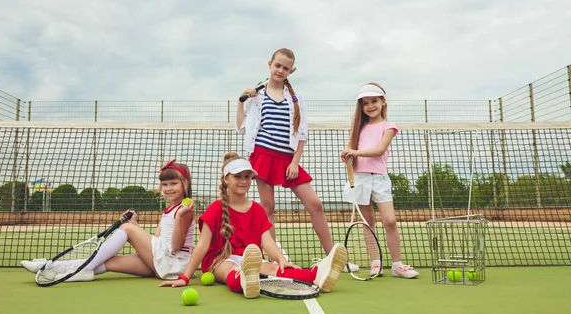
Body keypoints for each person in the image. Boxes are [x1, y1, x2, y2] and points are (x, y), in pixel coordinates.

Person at [158, 152, 347, 298]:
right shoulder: (216, 208)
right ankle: (245, 280)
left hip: (251, 259)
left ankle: (317, 274)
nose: (244, 181)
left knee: (275, 269)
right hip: (219, 260)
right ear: (226, 179)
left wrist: (279, 258)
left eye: (248, 177)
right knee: (231, 269)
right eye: (238, 176)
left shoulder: (257, 209)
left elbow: (268, 242)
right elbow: (202, 246)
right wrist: (185, 277)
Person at [236, 48, 338, 262]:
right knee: (268, 207)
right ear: (269, 64)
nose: (280, 70)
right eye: (277, 66)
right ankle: (275, 261)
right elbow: (242, 127)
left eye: (285, 68)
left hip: (287, 160)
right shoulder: (256, 97)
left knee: (315, 204)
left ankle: (332, 256)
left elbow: (301, 133)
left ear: (291, 71)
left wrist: (295, 162)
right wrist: (241, 101)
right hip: (263, 155)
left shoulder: (296, 98)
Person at [20, 160, 196, 282]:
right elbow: (157, 241)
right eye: (165, 185)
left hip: (173, 263)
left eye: (173, 183)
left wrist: (131, 228)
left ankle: (72, 268)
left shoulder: (185, 211)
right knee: (110, 262)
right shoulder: (170, 210)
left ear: (185, 184)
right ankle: (52, 268)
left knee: (126, 228)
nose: (168, 188)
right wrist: (136, 226)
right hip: (164, 262)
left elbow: (174, 246)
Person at [341, 83, 419, 279]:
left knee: (389, 221)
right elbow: (353, 155)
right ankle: (375, 263)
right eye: (365, 103)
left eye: (374, 101)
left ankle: (397, 265)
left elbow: (379, 150)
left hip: (380, 180)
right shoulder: (357, 129)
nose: (370, 106)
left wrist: (355, 151)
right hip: (360, 179)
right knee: (368, 223)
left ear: (383, 102)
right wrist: (347, 156)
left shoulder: (389, 127)